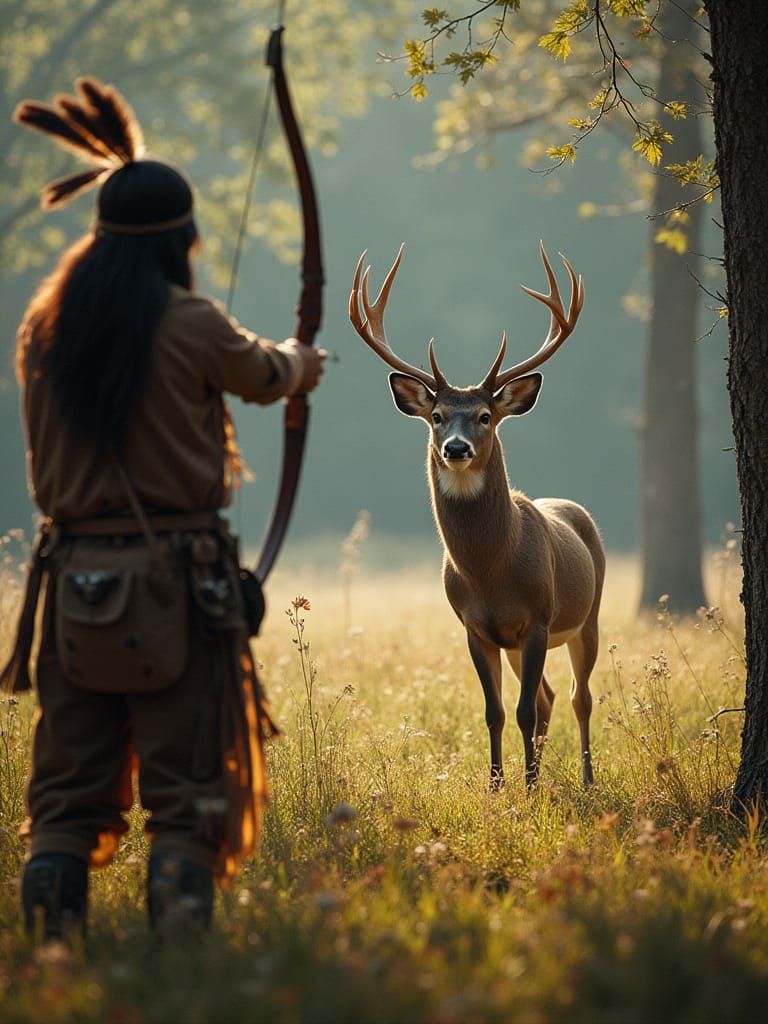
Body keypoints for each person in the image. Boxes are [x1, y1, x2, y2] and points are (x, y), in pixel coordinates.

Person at [1, 76, 326, 939]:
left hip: (72, 589)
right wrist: (303, 357)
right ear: (179, 239)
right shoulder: (190, 322)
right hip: (179, 590)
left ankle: (54, 966)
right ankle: (178, 971)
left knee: (65, 800)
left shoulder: (42, 324)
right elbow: (270, 374)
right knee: (186, 797)